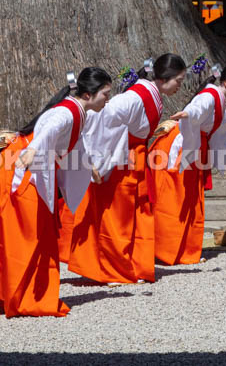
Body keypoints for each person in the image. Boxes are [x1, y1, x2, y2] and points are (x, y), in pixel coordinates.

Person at [0, 67, 112, 316]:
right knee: (26, 235)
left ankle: (23, 292)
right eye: (105, 94)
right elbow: (49, 130)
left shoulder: (78, 112)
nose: (108, 100)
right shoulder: (67, 112)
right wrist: (32, 152)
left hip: (28, 164)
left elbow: (74, 143)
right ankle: (22, 295)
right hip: (21, 167)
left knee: (34, 233)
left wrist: (89, 167)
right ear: (88, 95)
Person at [68, 54, 187, 285]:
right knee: (118, 217)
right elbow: (102, 115)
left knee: (135, 215)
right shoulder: (135, 97)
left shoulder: (147, 94)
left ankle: (133, 265)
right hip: (122, 160)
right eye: (178, 81)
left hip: (134, 158)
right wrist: (98, 160)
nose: (179, 86)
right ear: (164, 78)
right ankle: (113, 269)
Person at [152, 63, 226, 265]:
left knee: (189, 200)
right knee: (176, 199)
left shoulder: (218, 99)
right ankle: (168, 250)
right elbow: (197, 108)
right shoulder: (209, 96)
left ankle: (184, 249)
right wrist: (188, 114)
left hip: (194, 147)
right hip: (183, 147)